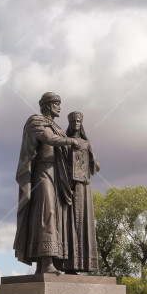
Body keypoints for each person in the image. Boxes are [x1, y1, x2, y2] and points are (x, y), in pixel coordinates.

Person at [13, 92, 79, 274]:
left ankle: (49, 264)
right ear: (49, 105)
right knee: (46, 213)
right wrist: (71, 140)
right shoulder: (36, 121)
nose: (60, 108)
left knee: (58, 217)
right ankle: (46, 261)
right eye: (57, 104)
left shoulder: (58, 127)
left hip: (58, 174)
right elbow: (48, 138)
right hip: (42, 172)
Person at [57, 111, 100, 274]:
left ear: (81, 124)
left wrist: (92, 162)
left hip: (84, 186)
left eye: (78, 121)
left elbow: (95, 165)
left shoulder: (87, 143)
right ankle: (66, 264)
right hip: (68, 186)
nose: (76, 122)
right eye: (73, 120)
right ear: (70, 123)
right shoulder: (66, 142)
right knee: (68, 222)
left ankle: (82, 264)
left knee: (83, 222)